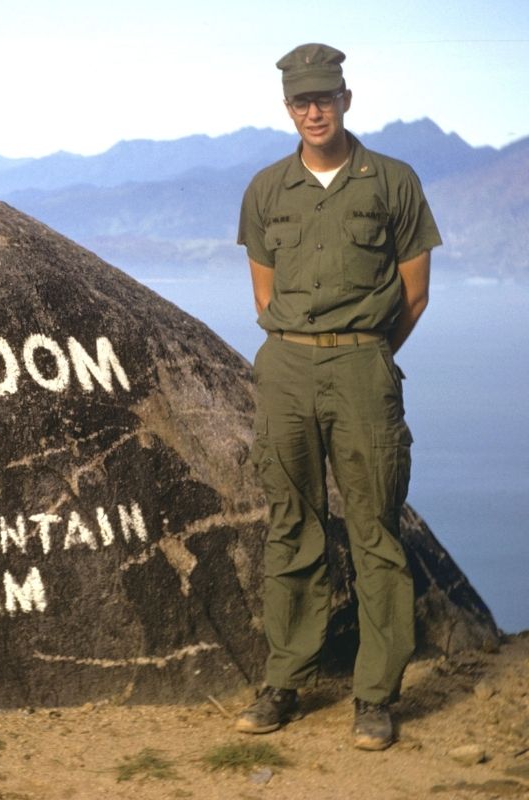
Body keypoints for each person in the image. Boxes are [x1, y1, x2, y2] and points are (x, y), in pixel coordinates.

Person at [235, 43, 441, 751]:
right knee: (292, 523)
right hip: (286, 368)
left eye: (325, 96)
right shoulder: (266, 189)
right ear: (287, 108)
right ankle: (283, 683)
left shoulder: (393, 182)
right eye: (301, 100)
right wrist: (304, 352)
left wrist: (368, 358)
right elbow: (264, 292)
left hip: (363, 369)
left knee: (375, 529)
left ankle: (376, 697)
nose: (313, 109)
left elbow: (414, 293)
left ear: (347, 99)